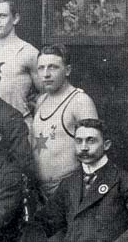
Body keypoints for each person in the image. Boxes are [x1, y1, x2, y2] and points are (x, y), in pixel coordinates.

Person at [31, 44, 99, 198]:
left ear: (67, 70)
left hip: (69, 190)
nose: (46, 74)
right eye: (41, 68)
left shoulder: (80, 101)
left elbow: (95, 150)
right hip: (41, 191)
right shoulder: (41, 100)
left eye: (53, 67)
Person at [0, 0, 41, 118]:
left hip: (20, 121)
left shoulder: (28, 52)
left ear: (15, 19)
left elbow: (47, 92)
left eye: (2, 16)